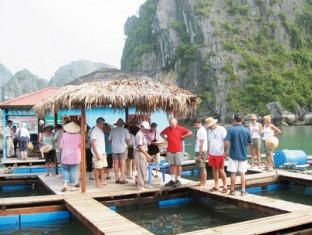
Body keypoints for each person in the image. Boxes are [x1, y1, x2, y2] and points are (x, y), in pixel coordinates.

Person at [160, 118, 192, 187]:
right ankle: (172, 179)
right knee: (172, 165)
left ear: (176, 123)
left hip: (178, 150)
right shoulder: (167, 128)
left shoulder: (180, 128)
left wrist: (183, 136)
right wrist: (166, 138)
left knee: (178, 165)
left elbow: (190, 132)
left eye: (173, 124)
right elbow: (161, 133)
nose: (172, 126)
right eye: (171, 124)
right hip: (170, 149)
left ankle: (178, 179)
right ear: (169, 124)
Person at [225, 114, 252, 196]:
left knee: (233, 173)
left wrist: (225, 151)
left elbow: (227, 142)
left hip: (233, 154)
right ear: (242, 120)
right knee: (242, 173)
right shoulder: (246, 130)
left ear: (234, 120)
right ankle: (243, 191)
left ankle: (232, 190)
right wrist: (243, 144)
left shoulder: (231, 130)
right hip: (243, 155)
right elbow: (250, 143)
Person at [205, 117, 228, 193]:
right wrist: (208, 151)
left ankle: (225, 186)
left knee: (221, 169)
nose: (209, 127)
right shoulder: (209, 131)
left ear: (214, 124)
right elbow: (209, 141)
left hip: (220, 153)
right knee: (214, 169)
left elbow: (226, 141)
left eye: (210, 125)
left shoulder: (221, 129)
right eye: (208, 126)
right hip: (212, 153)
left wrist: (225, 151)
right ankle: (216, 185)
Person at [60, 122, 81, 192]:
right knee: (73, 171)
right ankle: (72, 187)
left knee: (65, 170)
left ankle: (65, 185)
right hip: (75, 156)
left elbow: (60, 146)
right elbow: (81, 146)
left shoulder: (64, 135)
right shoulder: (78, 135)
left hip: (65, 155)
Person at [108, 118, 130, 184]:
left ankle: (116, 179)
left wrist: (113, 144)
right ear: (122, 124)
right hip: (123, 148)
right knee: (122, 164)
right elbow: (128, 140)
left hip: (114, 148)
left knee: (116, 164)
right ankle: (122, 179)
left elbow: (109, 140)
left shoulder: (112, 130)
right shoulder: (125, 130)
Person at [135, 121, 152, 191]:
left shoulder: (143, 134)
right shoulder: (139, 134)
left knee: (144, 169)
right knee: (140, 169)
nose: (147, 130)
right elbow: (140, 147)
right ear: (142, 127)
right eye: (146, 128)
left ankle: (145, 183)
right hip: (140, 153)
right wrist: (147, 155)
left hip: (143, 153)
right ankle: (140, 185)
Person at [91, 117, 108, 187]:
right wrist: (96, 153)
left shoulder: (101, 130)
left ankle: (102, 180)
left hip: (102, 151)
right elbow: (93, 143)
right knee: (97, 167)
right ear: (99, 123)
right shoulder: (94, 130)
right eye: (102, 124)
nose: (103, 125)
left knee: (103, 167)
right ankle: (97, 182)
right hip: (97, 152)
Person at [192, 118, 208, 188]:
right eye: (194, 125)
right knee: (200, 167)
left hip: (201, 151)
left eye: (196, 125)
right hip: (198, 150)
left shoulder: (202, 130)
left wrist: (200, 155)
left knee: (202, 168)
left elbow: (201, 143)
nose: (195, 126)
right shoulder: (198, 130)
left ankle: (204, 183)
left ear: (200, 123)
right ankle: (201, 181)